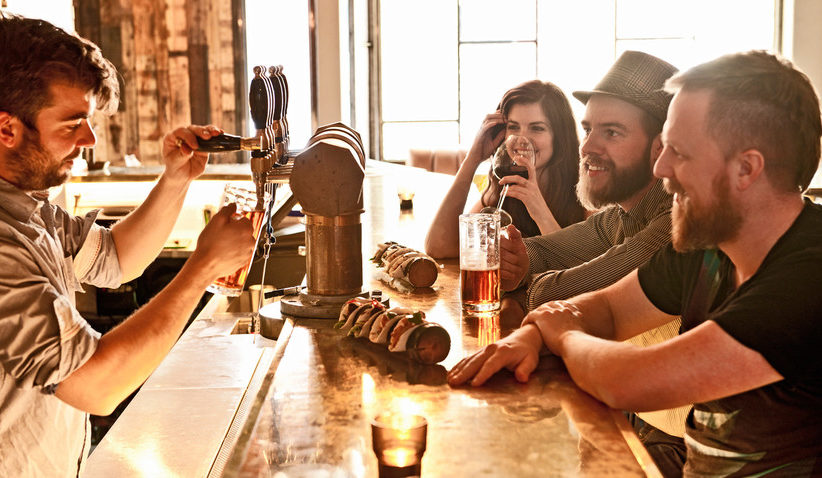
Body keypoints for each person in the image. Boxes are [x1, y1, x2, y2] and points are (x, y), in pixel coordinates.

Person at [449, 50, 822, 476]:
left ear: (746, 169)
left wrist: (561, 333)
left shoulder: (808, 272)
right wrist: (530, 337)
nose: (661, 168)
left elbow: (631, 381)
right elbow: (607, 309)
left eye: (679, 152)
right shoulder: (710, 248)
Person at [0, 14, 257, 476]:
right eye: (73, 123)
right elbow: (95, 387)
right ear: (7, 130)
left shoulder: (26, 205)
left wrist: (176, 179)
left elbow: (117, 259)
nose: (90, 139)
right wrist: (201, 268)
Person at [424, 80, 585, 258]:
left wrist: (537, 206)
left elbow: (582, 271)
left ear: (560, 136)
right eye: (513, 127)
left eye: (537, 128)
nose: (522, 139)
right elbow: (438, 248)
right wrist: (473, 159)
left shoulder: (586, 192)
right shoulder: (504, 187)